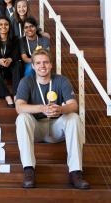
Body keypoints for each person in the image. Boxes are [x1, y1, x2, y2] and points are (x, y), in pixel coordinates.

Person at [15, 48, 90, 189]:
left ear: (51, 65)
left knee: (73, 117)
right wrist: (42, 108)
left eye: (45, 62)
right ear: (33, 66)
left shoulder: (61, 80)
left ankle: (75, 172)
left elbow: (73, 105)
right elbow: (19, 107)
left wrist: (60, 109)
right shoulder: (26, 81)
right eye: (38, 63)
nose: (42, 66)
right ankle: (29, 170)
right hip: (36, 127)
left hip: (56, 127)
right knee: (22, 118)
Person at [0, 16, 22, 107]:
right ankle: (7, 95)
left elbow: (16, 55)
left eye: (6, 24)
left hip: (10, 67)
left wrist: (10, 59)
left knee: (18, 64)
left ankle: (16, 95)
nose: (3, 27)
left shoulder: (15, 39)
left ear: (9, 26)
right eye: (0, 24)